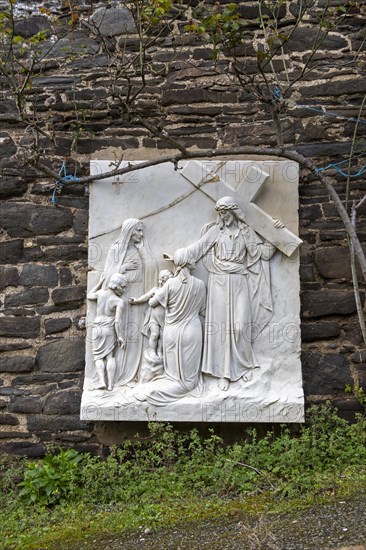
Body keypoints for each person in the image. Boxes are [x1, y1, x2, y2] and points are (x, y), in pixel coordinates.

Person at [185, 196, 277, 391]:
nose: (223, 216)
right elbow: (198, 248)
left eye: (225, 212)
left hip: (239, 280)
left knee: (240, 326)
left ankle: (242, 366)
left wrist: (275, 232)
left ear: (234, 212)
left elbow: (264, 254)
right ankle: (223, 373)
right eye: (220, 213)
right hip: (218, 281)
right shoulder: (215, 232)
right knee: (220, 328)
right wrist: (179, 256)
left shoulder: (246, 232)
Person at [135, 248, 206, 405]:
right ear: (188, 262)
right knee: (188, 383)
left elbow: (152, 303)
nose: (195, 260)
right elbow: (202, 310)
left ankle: (148, 389)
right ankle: (152, 393)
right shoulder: (200, 285)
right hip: (191, 332)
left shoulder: (170, 285)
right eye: (192, 258)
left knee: (172, 376)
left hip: (171, 332)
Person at [97, 218, 157, 385]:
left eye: (141, 230)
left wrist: (144, 253)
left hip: (137, 294)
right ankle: (120, 373)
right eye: (138, 231)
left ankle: (135, 370)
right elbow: (108, 277)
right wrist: (122, 269)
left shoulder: (141, 248)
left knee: (136, 331)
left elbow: (152, 269)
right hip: (121, 296)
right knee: (122, 330)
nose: (141, 234)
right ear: (130, 232)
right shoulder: (116, 249)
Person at [87, 273, 127, 391]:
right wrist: (120, 336)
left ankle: (101, 381)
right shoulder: (118, 301)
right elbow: (117, 321)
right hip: (108, 329)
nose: (124, 290)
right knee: (110, 356)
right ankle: (110, 385)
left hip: (97, 328)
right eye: (123, 287)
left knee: (98, 357)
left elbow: (89, 295)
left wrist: (99, 283)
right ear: (116, 286)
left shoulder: (100, 294)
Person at [129, 269, 174, 362]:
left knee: (162, 335)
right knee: (154, 334)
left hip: (164, 318)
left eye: (163, 280)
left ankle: (159, 351)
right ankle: (152, 351)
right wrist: (137, 300)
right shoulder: (156, 290)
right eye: (159, 279)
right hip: (153, 317)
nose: (160, 282)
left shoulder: (170, 292)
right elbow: (146, 297)